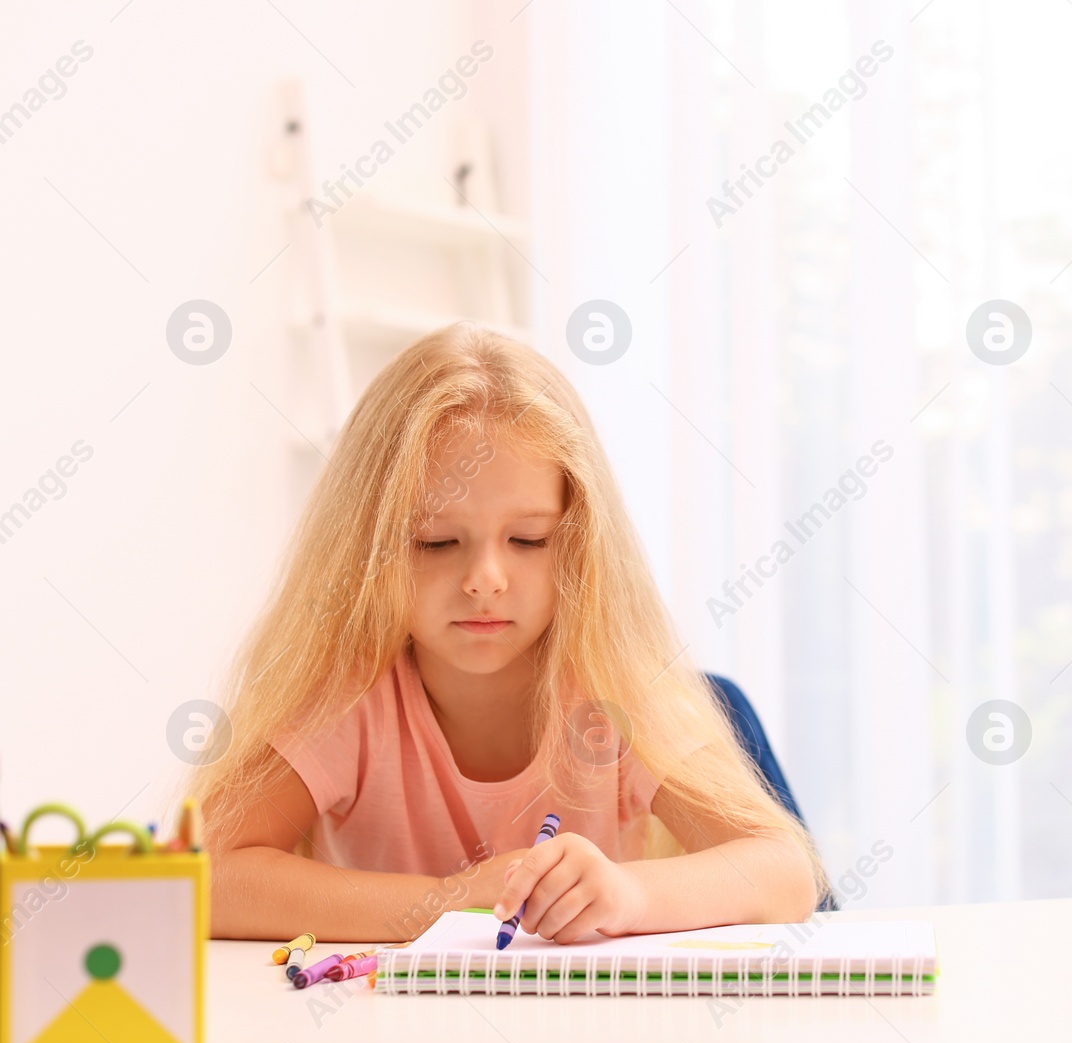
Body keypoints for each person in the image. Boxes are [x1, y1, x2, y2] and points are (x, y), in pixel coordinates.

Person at [193, 324, 825, 943]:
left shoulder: (618, 693)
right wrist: (448, 902)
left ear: (579, 543)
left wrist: (630, 894)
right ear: (367, 546)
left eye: (528, 540)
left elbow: (786, 872)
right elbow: (203, 876)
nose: (485, 580)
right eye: (436, 541)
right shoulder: (348, 698)